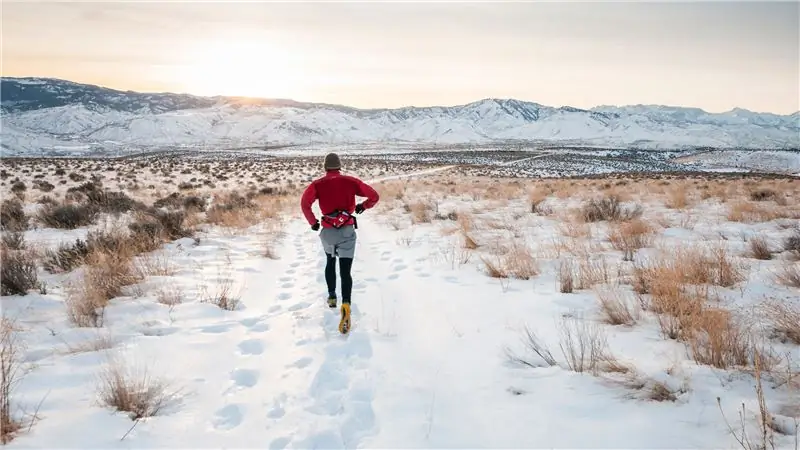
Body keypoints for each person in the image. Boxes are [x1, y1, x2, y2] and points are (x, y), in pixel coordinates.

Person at [300, 152, 380, 334]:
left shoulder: (317, 184)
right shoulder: (351, 182)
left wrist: (313, 222)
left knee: (329, 262)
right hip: (347, 230)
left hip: (328, 231)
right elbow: (374, 196)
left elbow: (305, 204)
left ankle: (331, 297)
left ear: (325, 167)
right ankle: (346, 304)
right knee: (346, 271)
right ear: (339, 166)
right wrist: (363, 206)